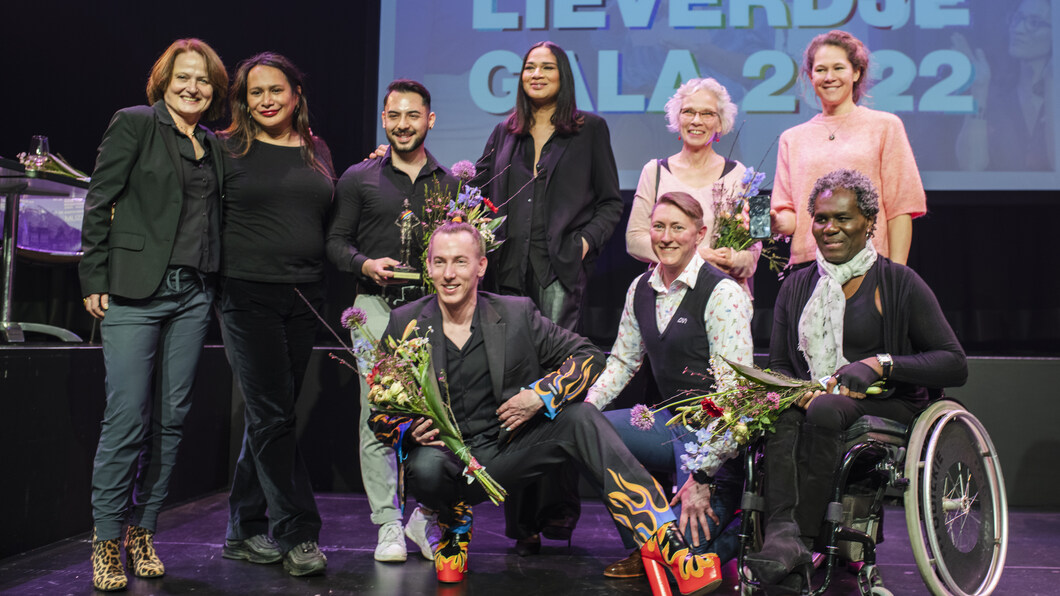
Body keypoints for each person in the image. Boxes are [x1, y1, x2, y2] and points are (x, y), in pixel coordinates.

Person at [370, 222, 724, 595]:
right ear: (428, 268)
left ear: (481, 266)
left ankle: (668, 544)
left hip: (505, 452)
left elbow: (589, 356)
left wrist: (543, 394)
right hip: (444, 461)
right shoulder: (405, 323)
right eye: (439, 262)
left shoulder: (517, 313)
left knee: (581, 417)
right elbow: (378, 413)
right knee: (424, 466)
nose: (449, 274)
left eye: (460, 261)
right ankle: (453, 522)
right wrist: (407, 430)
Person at [745, 169, 967, 589]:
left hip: (890, 402)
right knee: (781, 414)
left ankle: (806, 538)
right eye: (822, 218)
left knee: (827, 410)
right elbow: (780, 364)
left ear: (869, 223)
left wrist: (883, 363)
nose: (830, 228)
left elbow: (954, 363)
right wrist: (793, 391)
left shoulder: (899, 283)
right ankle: (783, 536)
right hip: (822, 400)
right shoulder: (797, 285)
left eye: (843, 218)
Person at [78, 38, 227, 591]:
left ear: (215, 92)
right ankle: (105, 539)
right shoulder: (136, 123)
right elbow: (100, 198)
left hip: (193, 294)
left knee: (171, 419)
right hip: (134, 292)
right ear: (164, 81)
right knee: (126, 418)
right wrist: (93, 274)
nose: (193, 88)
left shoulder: (213, 145)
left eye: (204, 81)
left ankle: (143, 530)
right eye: (184, 77)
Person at [470, 39, 623, 553]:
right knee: (513, 386)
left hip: (559, 274)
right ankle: (523, 520)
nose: (536, 73)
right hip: (507, 277)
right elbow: (472, 189)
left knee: (557, 389)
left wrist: (584, 243)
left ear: (564, 75)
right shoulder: (505, 132)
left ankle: (559, 508)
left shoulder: (589, 130)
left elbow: (609, 203)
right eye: (530, 66)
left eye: (547, 66)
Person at [587, 192, 753, 579]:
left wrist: (703, 475)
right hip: (668, 425)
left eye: (678, 227)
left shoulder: (722, 294)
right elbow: (623, 361)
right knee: (587, 432)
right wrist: (587, 409)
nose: (666, 237)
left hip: (715, 442)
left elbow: (736, 399)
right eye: (659, 226)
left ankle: (747, 535)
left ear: (700, 234)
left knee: (688, 557)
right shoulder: (639, 288)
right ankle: (644, 545)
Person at [326, 79, 458, 563]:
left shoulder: (452, 184)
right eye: (394, 116)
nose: (403, 124)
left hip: (431, 310)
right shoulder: (359, 177)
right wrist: (364, 265)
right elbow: (335, 243)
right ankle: (386, 524)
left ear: (430, 120)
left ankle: (424, 518)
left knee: (439, 417)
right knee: (376, 418)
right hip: (375, 309)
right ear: (384, 120)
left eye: (413, 115)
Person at [218, 52, 333, 577]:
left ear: (296, 95)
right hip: (247, 296)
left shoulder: (317, 149)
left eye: (276, 90)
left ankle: (242, 529)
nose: (266, 100)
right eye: (254, 92)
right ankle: (297, 531)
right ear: (243, 100)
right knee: (273, 416)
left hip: (306, 297)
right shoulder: (226, 148)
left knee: (271, 417)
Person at [771, 30, 926, 267]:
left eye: (838, 68)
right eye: (821, 70)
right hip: (809, 265)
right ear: (811, 77)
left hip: (868, 261)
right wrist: (773, 222)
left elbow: (900, 208)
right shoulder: (792, 138)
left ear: (856, 72)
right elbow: (792, 218)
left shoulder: (885, 127)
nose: (829, 77)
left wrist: (897, 276)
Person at [626, 78, 761, 296]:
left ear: (720, 123)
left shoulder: (742, 175)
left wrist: (732, 258)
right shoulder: (654, 172)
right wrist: (696, 256)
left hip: (725, 299)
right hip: (667, 296)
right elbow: (634, 241)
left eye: (707, 114)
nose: (696, 120)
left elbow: (755, 251)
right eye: (688, 111)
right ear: (677, 119)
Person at [954, 0, 1054, 171]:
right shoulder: (995, 95)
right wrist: (979, 91)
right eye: (1017, 19)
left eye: (1034, 23)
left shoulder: (1053, 98)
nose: (1018, 29)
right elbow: (971, 165)